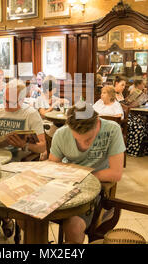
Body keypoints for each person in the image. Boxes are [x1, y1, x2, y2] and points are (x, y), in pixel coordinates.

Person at [0, 80, 46, 243]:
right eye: (5, 100)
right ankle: (3, 217)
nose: (6, 105)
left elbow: (42, 147)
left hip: (19, 161)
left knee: (4, 180)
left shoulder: (30, 114)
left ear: (23, 100)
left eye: (11, 102)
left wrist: (25, 144)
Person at [48, 102, 125, 243]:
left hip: (94, 189)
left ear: (97, 122)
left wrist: (82, 176)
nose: (84, 144)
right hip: (65, 185)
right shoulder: (61, 134)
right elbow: (53, 165)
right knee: (29, 218)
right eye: (78, 139)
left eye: (89, 139)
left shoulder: (112, 130)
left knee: (74, 227)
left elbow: (115, 173)